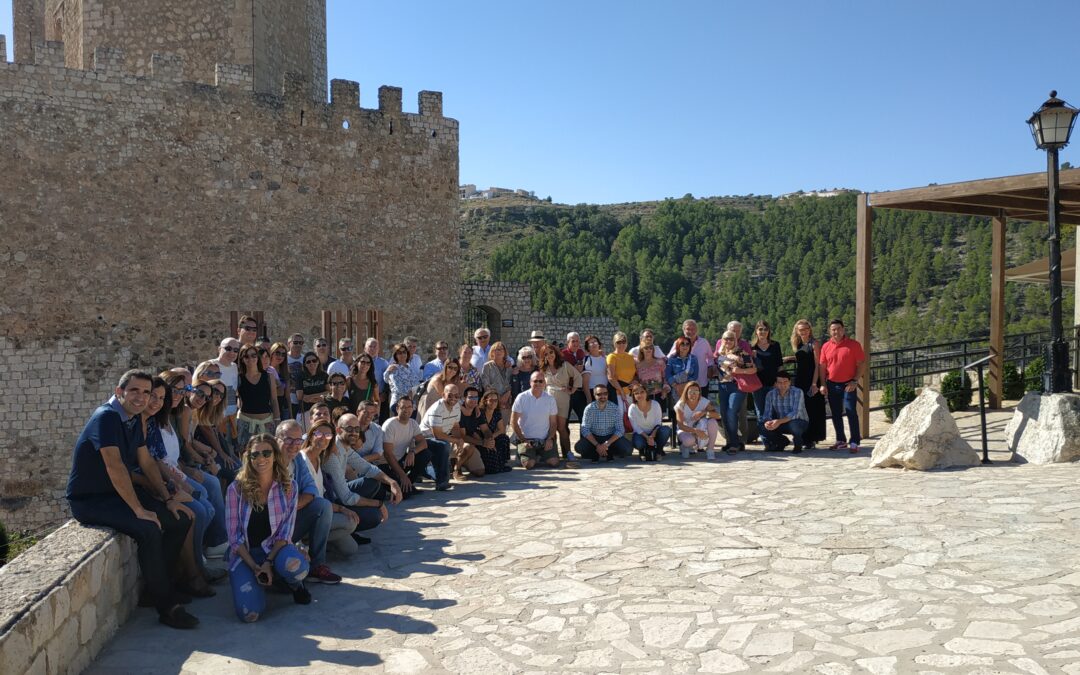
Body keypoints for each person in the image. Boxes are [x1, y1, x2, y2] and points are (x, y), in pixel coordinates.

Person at [67, 370, 199, 629]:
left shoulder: (132, 418)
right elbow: (114, 466)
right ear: (120, 392)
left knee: (179, 518)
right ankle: (167, 607)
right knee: (149, 529)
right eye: (134, 391)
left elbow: (146, 462)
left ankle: (158, 588)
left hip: (117, 494)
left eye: (146, 392)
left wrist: (167, 498)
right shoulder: (106, 418)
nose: (141, 397)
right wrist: (138, 509)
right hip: (92, 500)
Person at [226, 434, 311, 622]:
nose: (261, 459)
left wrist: (268, 562)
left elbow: (285, 533)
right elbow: (234, 537)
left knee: (298, 569)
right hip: (246, 554)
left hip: (275, 550)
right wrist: (256, 567)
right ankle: (259, 582)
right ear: (248, 458)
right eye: (255, 455)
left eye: (266, 453)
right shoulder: (236, 489)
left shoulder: (290, 487)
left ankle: (294, 584)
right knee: (250, 615)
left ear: (275, 456)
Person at [274, 420, 346, 583]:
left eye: (298, 440)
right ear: (276, 439)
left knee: (323, 505)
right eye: (288, 440)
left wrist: (294, 505)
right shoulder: (268, 462)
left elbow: (311, 489)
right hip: (271, 530)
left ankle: (318, 565)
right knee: (291, 578)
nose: (293, 445)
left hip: (291, 522)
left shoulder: (298, 459)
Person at [324, 414, 402, 537]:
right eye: (349, 429)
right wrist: (379, 504)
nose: (354, 433)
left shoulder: (344, 446)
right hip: (331, 502)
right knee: (375, 516)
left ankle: (351, 526)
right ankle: (346, 529)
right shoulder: (333, 454)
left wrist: (392, 482)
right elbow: (346, 497)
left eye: (357, 429)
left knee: (374, 481)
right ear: (338, 430)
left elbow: (367, 468)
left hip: (340, 494)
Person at [820, 319, 867, 453]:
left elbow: (862, 364)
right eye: (833, 329)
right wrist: (823, 384)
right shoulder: (826, 346)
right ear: (830, 331)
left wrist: (855, 380)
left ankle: (854, 441)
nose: (836, 331)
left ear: (843, 329)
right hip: (831, 384)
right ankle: (840, 440)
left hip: (848, 384)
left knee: (851, 411)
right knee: (836, 413)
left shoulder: (854, 345)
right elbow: (822, 367)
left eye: (839, 328)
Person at [786, 319, 827, 449]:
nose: (803, 332)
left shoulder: (814, 343)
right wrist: (790, 358)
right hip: (800, 380)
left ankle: (811, 438)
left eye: (805, 329)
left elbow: (817, 364)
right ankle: (803, 437)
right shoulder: (798, 343)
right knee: (801, 409)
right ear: (797, 331)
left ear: (810, 330)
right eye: (800, 329)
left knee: (812, 409)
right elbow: (802, 358)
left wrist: (814, 383)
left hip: (811, 379)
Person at [380, 398, 432, 498]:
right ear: (397, 408)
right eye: (403, 407)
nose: (406, 410)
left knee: (426, 454)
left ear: (413, 409)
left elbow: (423, 443)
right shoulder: (390, 424)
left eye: (409, 407)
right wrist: (403, 476)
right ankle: (402, 484)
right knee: (404, 495)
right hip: (386, 464)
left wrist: (412, 452)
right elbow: (388, 454)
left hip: (400, 461)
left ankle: (408, 484)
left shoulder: (413, 423)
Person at [715, 330, 756, 454]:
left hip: (737, 386)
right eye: (726, 338)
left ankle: (735, 443)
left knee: (731, 412)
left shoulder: (741, 352)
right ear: (722, 340)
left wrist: (740, 371)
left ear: (735, 340)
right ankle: (730, 442)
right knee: (724, 413)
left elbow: (753, 369)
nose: (728, 341)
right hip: (723, 387)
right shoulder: (720, 353)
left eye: (731, 339)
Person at [539, 344, 583, 460]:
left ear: (555, 353)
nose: (549, 356)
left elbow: (578, 376)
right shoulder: (543, 369)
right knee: (551, 427)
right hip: (548, 399)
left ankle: (568, 452)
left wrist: (572, 390)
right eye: (546, 354)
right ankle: (553, 453)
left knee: (561, 427)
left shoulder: (565, 365)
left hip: (563, 398)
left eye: (551, 352)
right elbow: (541, 385)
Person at [510, 371, 560, 469]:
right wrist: (523, 440)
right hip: (526, 440)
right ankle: (523, 453)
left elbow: (553, 423)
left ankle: (537, 454)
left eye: (541, 381)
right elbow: (513, 422)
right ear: (530, 382)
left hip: (544, 440)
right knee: (529, 465)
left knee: (554, 463)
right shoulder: (521, 398)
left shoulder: (550, 399)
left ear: (544, 383)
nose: (538, 384)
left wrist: (550, 438)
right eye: (535, 381)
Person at [236, 345, 280, 451]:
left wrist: (277, 421)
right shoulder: (238, 378)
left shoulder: (268, 376)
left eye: (253, 355)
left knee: (268, 454)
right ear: (242, 359)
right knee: (245, 455)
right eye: (246, 356)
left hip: (266, 423)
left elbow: (274, 400)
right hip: (245, 423)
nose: (250, 359)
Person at [419, 384, 462, 491]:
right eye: (450, 395)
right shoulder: (437, 408)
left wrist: (459, 442)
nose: (453, 398)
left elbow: (456, 427)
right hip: (424, 440)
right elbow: (437, 435)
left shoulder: (457, 406)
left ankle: (427, 472)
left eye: (456, 396)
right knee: (444, 445)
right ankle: (441, 482)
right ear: (443, 395)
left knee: (445, 445)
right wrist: (455, 440)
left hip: (440, 438)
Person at [575, 384, 632, 463]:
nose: (603, 396)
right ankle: (598, 451)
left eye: (605, 393)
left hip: (610, 437)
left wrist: (607, 444)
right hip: (595, 437)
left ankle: (608, 451)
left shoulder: (614, 408)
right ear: (594, 395)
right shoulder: (589, 409)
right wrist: (597, 445)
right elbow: (585, 429)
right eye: (599, 394)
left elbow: (620, 430)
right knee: (579, 447)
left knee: (628, 449)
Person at [461, 389, 513, 474]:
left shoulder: (494, 413)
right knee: (491, 469)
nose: (494, 402)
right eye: (491, 400)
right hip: (475, 441)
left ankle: (501, 462)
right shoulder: (479, 412)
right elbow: (469, 434)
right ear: (485, 401)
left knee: (504, 438)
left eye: (496, 400)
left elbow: (494, 430)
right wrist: (484, 443)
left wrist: (490, 440)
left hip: (486, 439)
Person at [750, 321, 783, 442]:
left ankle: (775, 439)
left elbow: (780, 366)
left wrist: (779, 381)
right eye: (760, 329)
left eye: (765, 329)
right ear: (756, 331)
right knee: (761, 413)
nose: (762, 332)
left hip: (773, 384)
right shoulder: (751, 347)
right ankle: (766, 440)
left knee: (774, 413)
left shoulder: (775, 345)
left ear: (768, 331)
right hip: (757, 385)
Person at [761, 371, 809, 453]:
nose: (783, 385)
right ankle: (782, 442)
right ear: (775, 384)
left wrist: (778, 421)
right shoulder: (770, 394)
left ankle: (798, 444)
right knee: (763, 426)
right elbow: (767, 413)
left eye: (785, 382)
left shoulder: (798, 392)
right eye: (779, 382)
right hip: (781, 422)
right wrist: (767, 422)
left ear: (790, 382)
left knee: (794, 425)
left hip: (799, 421)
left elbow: (796, 412)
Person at [674, 381, 721, 459]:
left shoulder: (704, 401)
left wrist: (703, 413)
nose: (694, 394)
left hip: (701, 427)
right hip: (686, 430)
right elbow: (681, 426)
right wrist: (696, 431)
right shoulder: (680, 405)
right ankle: (685, 446)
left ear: (699, 392)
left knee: (712, 422)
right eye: (691, 392)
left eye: (696, 391)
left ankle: (710, 449)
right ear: (686, 393)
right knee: (688, 441)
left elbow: (718, 416)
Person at [628, 384, 671, 461]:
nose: (640, 395)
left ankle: (659, 451)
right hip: (640, 434)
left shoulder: (655, 404)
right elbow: (636, 428)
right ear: (633, 395)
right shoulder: (632, 408)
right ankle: (642, 452)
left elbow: (658, 423)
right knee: (638, 443)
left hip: (654, 432)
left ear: (646, 393)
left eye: (642, 392)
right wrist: (647, 437)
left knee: (666, 430)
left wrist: (652, 436)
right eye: (636, 393)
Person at [452, 386, 488, 479]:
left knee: (480, 472)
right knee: (468, 447)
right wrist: (483, 443)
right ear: (464, 398)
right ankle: (456, 469)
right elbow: (463, 437)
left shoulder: (477, 411)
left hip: (469, 444)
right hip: (455, 441)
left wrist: (490, 439)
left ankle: (460, 461)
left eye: (476, 397)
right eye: (471, 397)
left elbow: (485, 429)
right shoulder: (459, 411)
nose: (474, 400)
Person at [213, 337, 241, 453]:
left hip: (231, 419)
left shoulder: (234, 367)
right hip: (215, 419)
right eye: (228, 348)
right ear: (219, 349)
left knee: (232, 453)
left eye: (235, 350)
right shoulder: (210, 365)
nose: (232, 352)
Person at [669, 320, 713, 388]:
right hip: (682, 384)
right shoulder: (678, 343)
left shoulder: (704, 343)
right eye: (688, 329)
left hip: (701, 382)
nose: (691, 331)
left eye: (693, 329)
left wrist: (710, 367)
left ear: (697, 330)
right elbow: (669, 358)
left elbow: (710, 357)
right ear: (683, 330)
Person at [480, 341, 514, 420]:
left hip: (506, 403)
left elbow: (511, 382)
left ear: (505, 352)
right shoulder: (487, 366)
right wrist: (498, 399)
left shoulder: (509, 366)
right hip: (492, 402)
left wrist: (508, 394)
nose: (499, 351)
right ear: (492, 352)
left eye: (501, 349)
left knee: (504, 427)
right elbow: (486, 384)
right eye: (496, 349)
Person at [385, 342, 421, 412]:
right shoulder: (393, 368)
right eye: (399, 353)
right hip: (399, 405)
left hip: (411, 405)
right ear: (395, 355)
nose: (402, 355)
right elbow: (399, 388)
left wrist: (414, 392)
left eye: (404, 352)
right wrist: (412, 391)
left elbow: (416, 384)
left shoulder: (409, 368)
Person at [562, 332, 588, 423]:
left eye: (577, 341)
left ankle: (583, 437)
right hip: (567, 392)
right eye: (573, 341)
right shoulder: (562, 355)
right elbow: (561, 373)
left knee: (584, 418)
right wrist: (574, 369)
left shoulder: (581, 352)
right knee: (565, 421)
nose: (576, 344)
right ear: (567, 342)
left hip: (579, 391)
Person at [298, 350, 328, 426]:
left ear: (318, 362)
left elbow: (329, 392)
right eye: (308, 362)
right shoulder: (300, 376)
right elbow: (300, 396)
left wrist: (310, 397)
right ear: (305, 364)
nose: (312, 363)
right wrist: (320, 397)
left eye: (314, 361)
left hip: (322, 410)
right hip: (306, 411)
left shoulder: (324, 375)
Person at [605, 332, 637, 404]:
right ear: (614, 343)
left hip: (631, 392)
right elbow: (611, 377)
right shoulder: (612, 357)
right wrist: (621, 392)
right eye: (619, 342)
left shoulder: (630, 357)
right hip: (618, 393)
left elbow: (635, 374)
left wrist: (635, 382)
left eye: (623, 342)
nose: (621, 344)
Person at [665, 336, 699, 402]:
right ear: (678, 345)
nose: (685, 346)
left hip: (690, 389)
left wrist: (685, 386)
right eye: (682, 344)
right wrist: (676, 386)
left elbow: (695, 376)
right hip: (675, 389)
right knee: (677, 410)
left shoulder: (694, 359)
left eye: (687, 344)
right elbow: (668, 374)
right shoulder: (672, 359)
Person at [580, 336, 612, 403]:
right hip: (594, 393)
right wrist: (589, 398)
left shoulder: (606, 358)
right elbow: (585, 382)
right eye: (591, 343)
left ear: (599, 344)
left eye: (595, 341)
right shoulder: (587, 360)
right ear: (588, 347)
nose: (593, 343)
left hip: (606, 392)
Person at [268, 342, 292, 421]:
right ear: (272, 353)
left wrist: (291, 415)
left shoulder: (285, 371)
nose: (280, 356)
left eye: (283, 354)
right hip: (269, 407)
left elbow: (287, 395)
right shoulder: (266, 369)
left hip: (283, 407)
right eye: (277, 353)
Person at [286, 333, 306, 418]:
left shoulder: (306, 359)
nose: (298, 345)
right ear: (289, 344)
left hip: (302, 401)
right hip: (287, 401)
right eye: (295, 342)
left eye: (301, 343)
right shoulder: (283, 358)